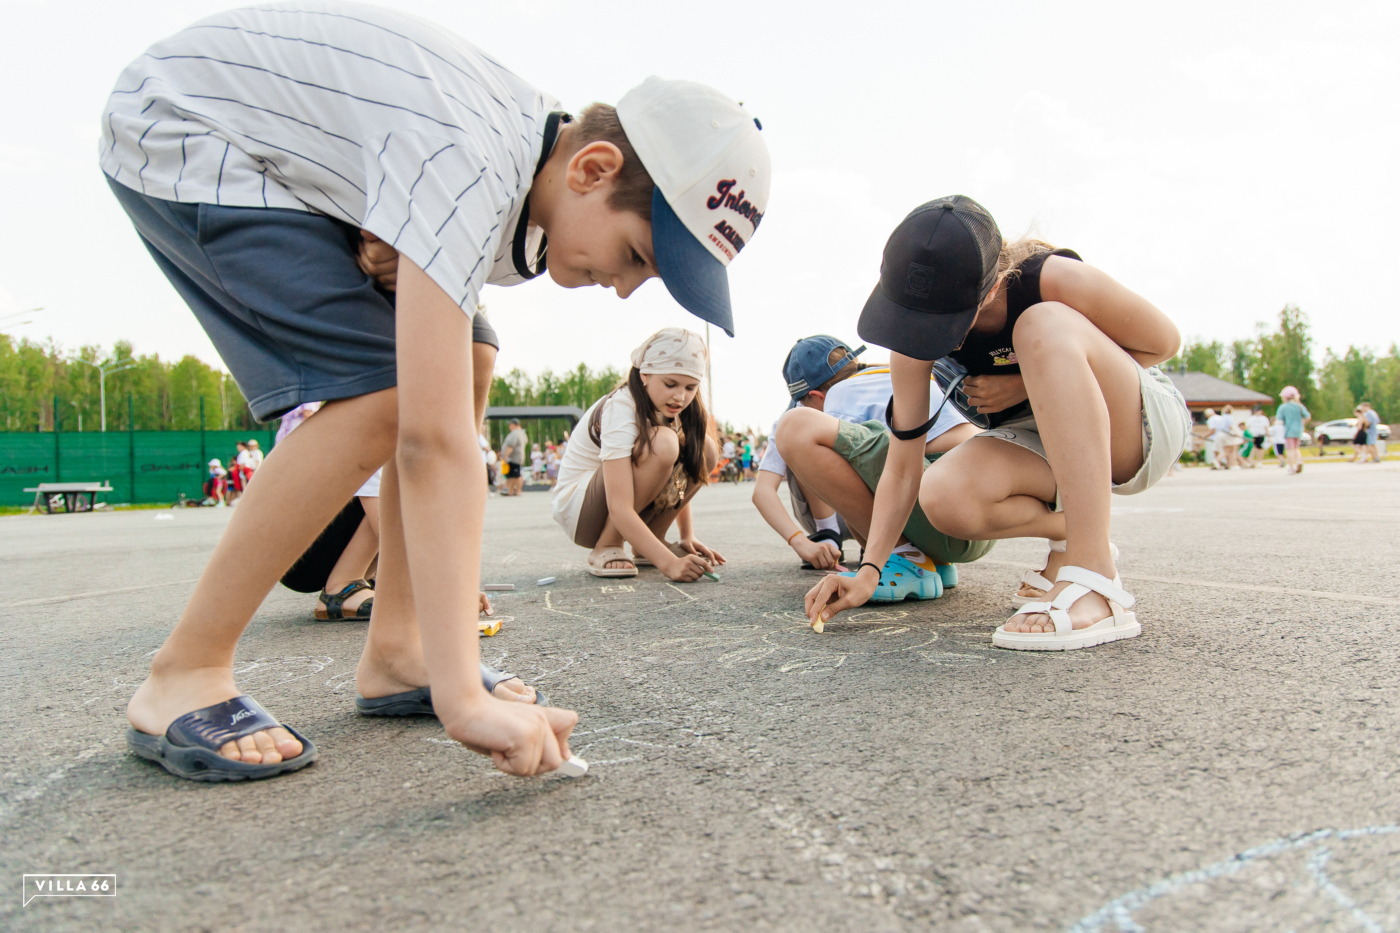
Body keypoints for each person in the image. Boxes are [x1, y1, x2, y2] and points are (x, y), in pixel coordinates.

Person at [102, 4, 770, 781]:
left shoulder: (524, 181)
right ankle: (185, 669)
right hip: (187, 123)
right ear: (593, 169)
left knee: (473, 350)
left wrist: (379, 221)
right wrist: (463, 696)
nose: (625, 289)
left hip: (280, 148)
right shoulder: (472, 163)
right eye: (636, 256)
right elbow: (431, 438)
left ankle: (399, 648)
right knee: (386, 395)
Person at [805, 196, 1190, 650]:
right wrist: (869, 571)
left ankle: (1095, 578)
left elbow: (1164, 343)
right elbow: (904, 466)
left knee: (1040, 325)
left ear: (990, 291)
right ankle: (1073, 534)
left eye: (940, 323)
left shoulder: (1054, 279)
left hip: (1138, 426)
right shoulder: (913, 336)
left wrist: (1025, 382)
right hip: (1043, 441)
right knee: (944, 494)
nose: (923, 335)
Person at [758, 335, 985, 585]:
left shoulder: (840, 393)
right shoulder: (889, 375)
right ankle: (934, 562)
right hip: (976, 521)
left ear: (816, 396)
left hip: (944, 510)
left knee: (796, 427)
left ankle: (904, 559)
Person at [551, 328, 723, 580]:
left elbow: (680, 474)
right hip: (582, 512)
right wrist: (669, 564)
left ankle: (651, 541)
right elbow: (619, 505)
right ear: (645, 375)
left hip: (621, 508)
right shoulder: (621, 407)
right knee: (664, 443)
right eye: (670, 384)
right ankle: (607, 545)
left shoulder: (675, 408)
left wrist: (687, 535)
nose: (680, 396)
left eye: (690, 387)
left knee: (705, 449)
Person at [1277, 387, 1310, 474]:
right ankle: (1299, 460)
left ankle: (1291, 467)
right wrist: (1302, 424)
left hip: (1289, 431)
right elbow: (1307, 416)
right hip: (1298, 430)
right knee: (1296, 447)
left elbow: (1279, 421)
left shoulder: (1283, 407)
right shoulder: (1299, 406)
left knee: (1289, 449)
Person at [501, 418, 529, 497]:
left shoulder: (515, 433)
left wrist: (505, 457)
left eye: (510, 425)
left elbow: (510, 446)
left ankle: (513, 490)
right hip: (518, 457)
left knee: (514, 475)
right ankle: (514, 490)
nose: (509, 427)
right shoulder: (522, 433)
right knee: (515, 474)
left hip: (514, 458)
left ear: (513, 425)